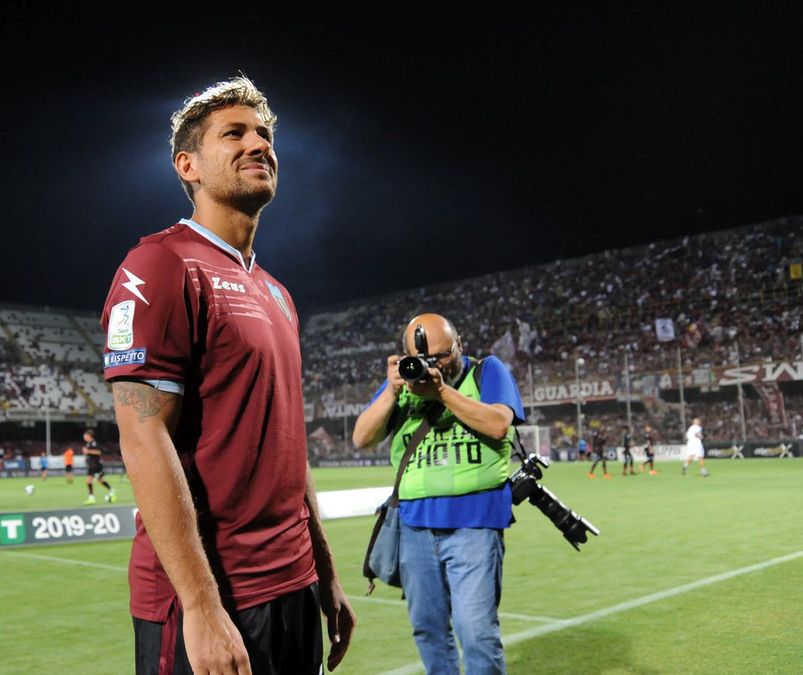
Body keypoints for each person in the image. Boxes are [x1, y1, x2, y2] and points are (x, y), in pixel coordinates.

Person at [101, 76, 354, 674]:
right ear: (187, 165)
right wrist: (200, 603)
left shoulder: (277, 293)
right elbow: (143, 433)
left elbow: (289, 454)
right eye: (233, 133)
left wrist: (325, 573)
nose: (257, 144)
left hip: (293, 586)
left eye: (263, 133)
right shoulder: (159, 265)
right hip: (219, 595)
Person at [353, 313, 524, 675]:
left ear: (459, 344)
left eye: (442, 356)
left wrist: (441, 392)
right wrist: (391, 389)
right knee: (428, 628)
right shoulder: (401, 385)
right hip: (414, 526)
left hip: (474, 524)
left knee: (476, 631)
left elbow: (497, 423)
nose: (434, 366)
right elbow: (362, 438)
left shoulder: (486, 371)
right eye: (423, 359)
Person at [81, 429, 116, 505]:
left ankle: (91, 498)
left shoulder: (94, 443)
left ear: (89, 436)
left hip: (95, 465)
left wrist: (88, 451)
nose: (84, 437)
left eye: (85, 435)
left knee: (89, 481)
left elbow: (99, 452)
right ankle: (111, 490)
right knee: (100, 480)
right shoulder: (88, 444)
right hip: (92, 465)